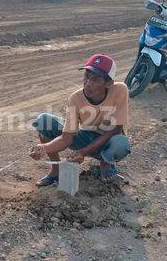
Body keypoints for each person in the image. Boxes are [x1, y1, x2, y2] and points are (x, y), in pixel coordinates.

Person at [29, 53, 131, 185]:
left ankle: (106, 162)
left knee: (121, 143)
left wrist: (83, 152)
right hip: (86, 138)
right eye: (86, 77)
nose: (88, 84)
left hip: (108, 143)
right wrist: (44, 147)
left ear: (108, 83)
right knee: (44, 121)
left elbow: (116, 129)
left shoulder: (120, 90)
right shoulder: (75, 98)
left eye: (95, 80)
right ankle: (56, 170)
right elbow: (67, 138)